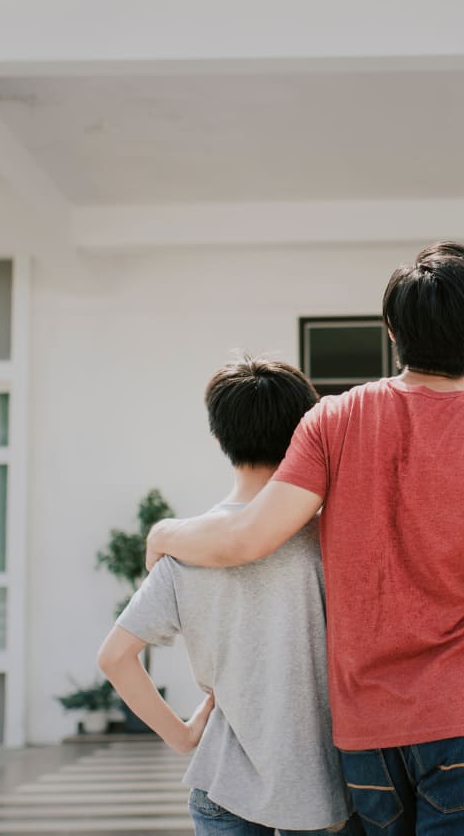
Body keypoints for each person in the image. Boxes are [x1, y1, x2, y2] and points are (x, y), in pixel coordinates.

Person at [145, 241, 464, 835]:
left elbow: (247, 536)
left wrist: (166, 532)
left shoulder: (332, 420)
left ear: (391, 329)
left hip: (366, 733)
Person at [96, 357, 353, 836]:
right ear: (305, 433)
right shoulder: (329, 541)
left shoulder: (186, 548)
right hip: (323, 786)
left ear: (219, 438)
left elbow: (115, 657)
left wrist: (181, 734)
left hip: (223, 783)